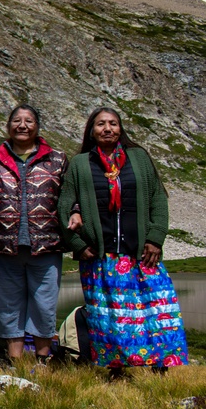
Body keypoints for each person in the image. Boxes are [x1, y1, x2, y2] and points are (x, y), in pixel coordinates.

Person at [58, 107, 187, 377]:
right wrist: (79, 245)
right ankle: (117, 370)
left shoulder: (138, 158)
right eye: (101, 124)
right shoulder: (81, 164)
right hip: (101, 258)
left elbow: (158, 200)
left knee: (156, 310)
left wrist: (155, 238)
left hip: (142, 254)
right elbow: (64, 207)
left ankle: (159, 368)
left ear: (121, 129)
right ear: (91, 131)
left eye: (113, 124)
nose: (108, 129)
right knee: (109, 319)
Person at [0, 105, 68, 364]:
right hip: (3, 248)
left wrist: (76, 216)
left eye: (29, 121)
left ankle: (42, 360)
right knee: (8, 305)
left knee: (44, 305)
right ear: (8, 125)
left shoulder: (57, 159)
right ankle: (15, 363)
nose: (22, 125)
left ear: (37, 126)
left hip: (46, 246)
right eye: (17, 120)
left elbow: (70, 199)